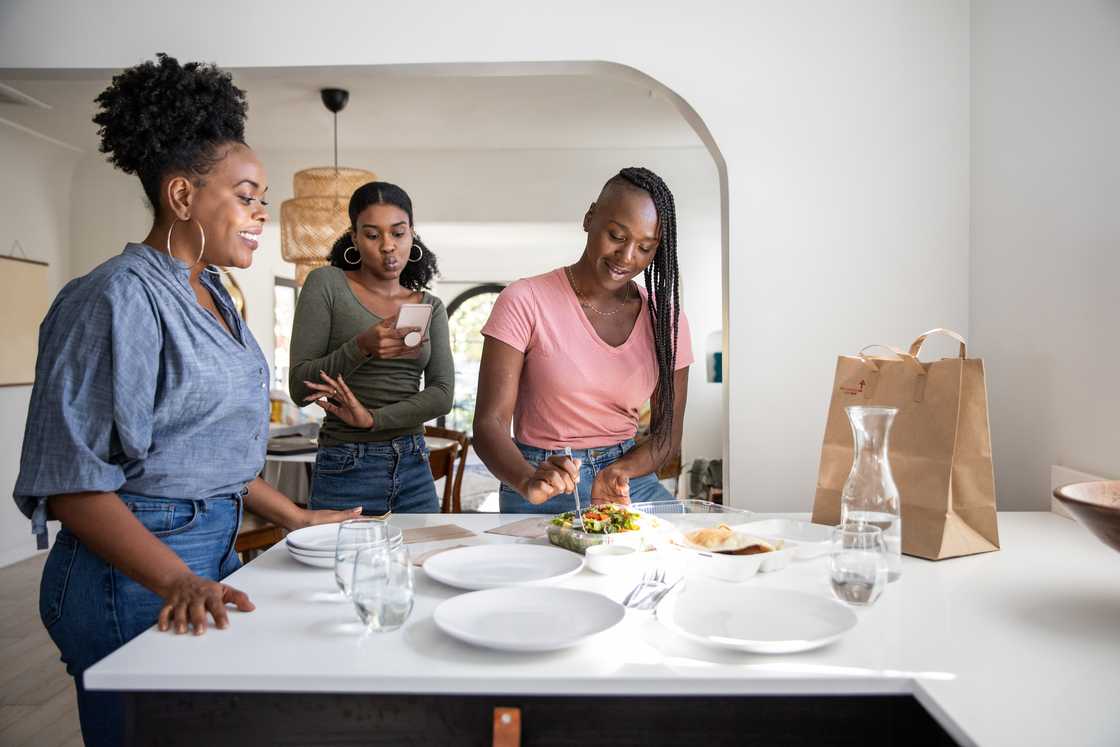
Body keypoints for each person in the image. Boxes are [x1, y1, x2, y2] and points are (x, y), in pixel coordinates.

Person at [12, 55, 361, 747]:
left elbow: (205, 455)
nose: (262, 213)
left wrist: (293, 514)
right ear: (181, 197)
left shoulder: (215, 299)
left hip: (203, 556)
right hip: (131, 572)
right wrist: (177, 578)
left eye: (263, 198)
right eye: (246, 195)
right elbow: (74, 485)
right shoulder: (112, 298)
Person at [474, 167, 693, 513]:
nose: (627, 257)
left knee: (688, 552)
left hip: (627, 477)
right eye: (617, 236)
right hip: (541, 475)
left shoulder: (667, 321)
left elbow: (667, 438)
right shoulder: (524, 299)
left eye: (645, 247)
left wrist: (619, 471)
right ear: (590, 218)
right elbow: (489, 425)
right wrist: (527, 480)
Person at [289, 181, 453, 515]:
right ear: (354, 237)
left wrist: (372, 419)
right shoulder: (327, 285)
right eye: (373, 234)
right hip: (346, 465)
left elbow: (442, 393)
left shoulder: (429, 306)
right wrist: (362, 346)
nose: (388, 246)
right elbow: (298, 387)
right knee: (339, 568)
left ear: (412, 234)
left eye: (398, 233)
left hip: (414, 465)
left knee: (420, 566)